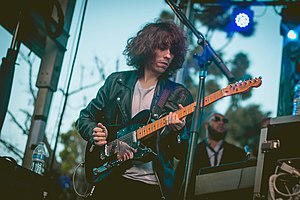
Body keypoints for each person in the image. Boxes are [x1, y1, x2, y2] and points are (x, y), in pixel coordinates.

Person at [75, 20, 193, 200]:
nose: (168, 55)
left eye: (172, 51)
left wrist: (179, 132)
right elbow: (85, 117)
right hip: (110, 179)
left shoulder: (179, 95)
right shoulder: (116, 82)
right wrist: (95, 132)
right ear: (147, 47)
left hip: (151, 187)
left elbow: (183, 153)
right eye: (162, 48)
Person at [174, 112, 246, 199]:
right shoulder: (191, 153)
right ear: (206, 125)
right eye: (216, 119)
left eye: (225, 120)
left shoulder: (238, 154)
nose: (221, 122)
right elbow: (178, 183)